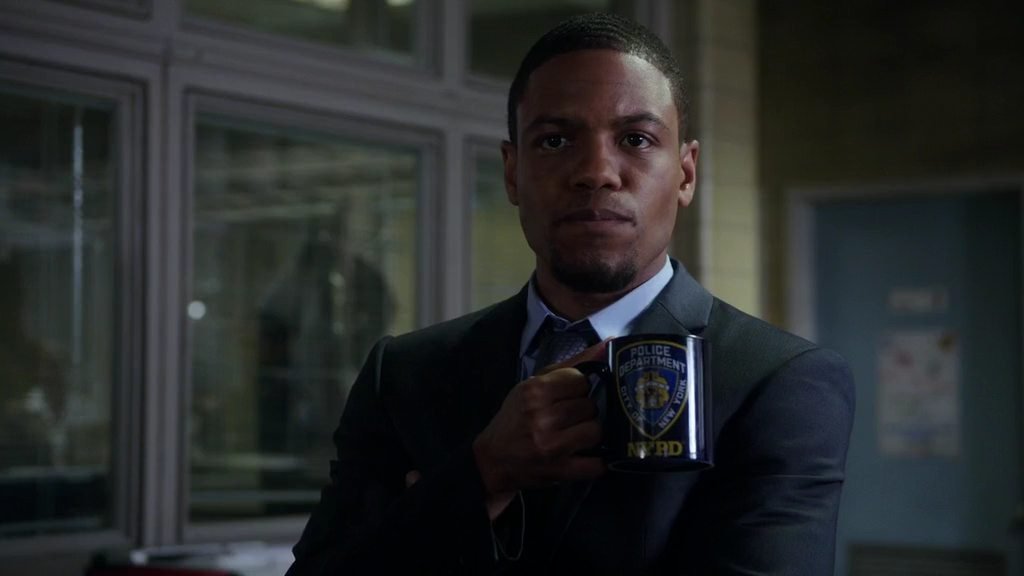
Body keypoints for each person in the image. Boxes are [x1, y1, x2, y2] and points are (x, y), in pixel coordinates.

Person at [286, 13, 854, 576]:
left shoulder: (777, 383)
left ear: (686, 174)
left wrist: (422, 513)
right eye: (555, 140)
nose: (596, 172)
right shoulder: (402, 374)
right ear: (512, 173)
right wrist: (483, 473)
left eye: (635, 139)